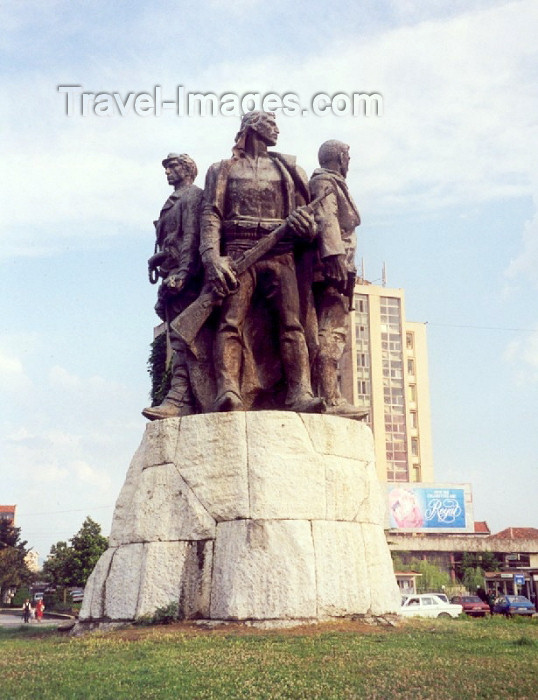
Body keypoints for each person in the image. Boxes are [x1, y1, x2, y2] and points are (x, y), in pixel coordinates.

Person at [199, 111, 323, 413]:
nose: (277, 129)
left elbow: (312, 224)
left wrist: (308, 227)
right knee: (230, 323)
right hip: (239, 250)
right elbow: (211, 213)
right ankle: (228, 389)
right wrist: (212, 258)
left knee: (292, 325)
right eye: (270, 123)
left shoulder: (289, 169)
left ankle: (299, 392)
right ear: (253, 128)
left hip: (281, 253)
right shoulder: (222, 169)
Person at [142, 153, 204, 420]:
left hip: (186, 277)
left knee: (184, 338)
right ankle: (181, 396)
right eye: (166, 167)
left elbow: (191, 236)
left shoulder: (192, 196)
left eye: (173, 167)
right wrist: (160, 258)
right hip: (172, 273)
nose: (167, 171)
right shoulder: (173, 200)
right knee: (179, 338)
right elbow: (171, 240)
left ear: (187, 169)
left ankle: (179, 398)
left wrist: (183, 271)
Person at [309, 140, 368, 419]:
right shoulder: (324, 182)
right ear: (340, 159)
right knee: (332, 333)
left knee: (333, 332)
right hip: (333, 269)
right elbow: (326, 219)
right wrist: (335, 259)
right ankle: (330, 396)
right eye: (348, 156)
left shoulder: (330, 182)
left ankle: (328, 394)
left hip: (338, 267)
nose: (349, 162)